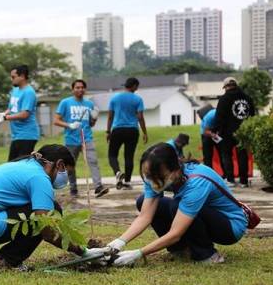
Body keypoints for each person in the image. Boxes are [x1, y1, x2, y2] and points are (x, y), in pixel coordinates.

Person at [0, 144, 108, 270]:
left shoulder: (19, 165)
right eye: (68, 172)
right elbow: (46, 229)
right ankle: (5, 260)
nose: (66, 177)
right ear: (60, 165)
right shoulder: (39, 177)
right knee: (51, 212)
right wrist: (83, 251)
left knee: (4, 211)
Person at [105, 143, 248, 266]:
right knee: (143, 201)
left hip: (229, 226)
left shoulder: (196, 182)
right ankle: (181, 250)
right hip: (201, 214)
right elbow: (145, 217)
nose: (149, 181)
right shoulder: (155, 177)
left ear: (175, 170)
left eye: (155, 176)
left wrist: (139, 253)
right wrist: (119, 242)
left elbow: (176, 233)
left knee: (177, 205)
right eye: (147, 175)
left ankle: (207, 255)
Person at [53, 79, 108, 198]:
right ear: (73, 89)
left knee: (93, 161)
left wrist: (94, 118)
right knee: (71, 164)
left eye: (82, 87)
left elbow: (91, 124)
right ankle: (73, 188)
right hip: (71, 139)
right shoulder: (65, 102)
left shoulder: (89, 104)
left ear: (85, 89)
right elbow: (56, 120)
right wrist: (69, 125)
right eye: (77, 87)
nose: (80, 89)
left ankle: (98, 186)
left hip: (87, 137)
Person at [213, 77, 255, 188]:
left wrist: (216, 130)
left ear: (226, 87)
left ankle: (231, 180)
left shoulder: (224, 98)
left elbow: (219, 117)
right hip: (243, 132)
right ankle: (244, 181)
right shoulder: (247, 98)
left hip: (228, 132)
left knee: (226, 155)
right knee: (243, 156)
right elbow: (253, 115)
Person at [106, 77, 148, 190]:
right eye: (137, 86)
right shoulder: (138, 99)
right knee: (129, 156)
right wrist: (144, 132)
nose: (137, 89)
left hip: (117, 130)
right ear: (134, 86)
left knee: (112, 155)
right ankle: (128, 182)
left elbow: (110, 116)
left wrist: (108, 131)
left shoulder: (114, 98)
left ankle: (117, 172)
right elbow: (140, 117)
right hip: (132, 130)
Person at [0, 65, 39, 161]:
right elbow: (11, 108)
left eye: (13, 77)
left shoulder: (29, 92)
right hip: (17, 135)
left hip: (27, 135)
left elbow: (25, 114)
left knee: (19, 166)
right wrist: (3, 115)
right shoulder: (15, 90)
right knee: (12, 165)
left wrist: (5, 118)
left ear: (22, 76)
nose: (11, 79)